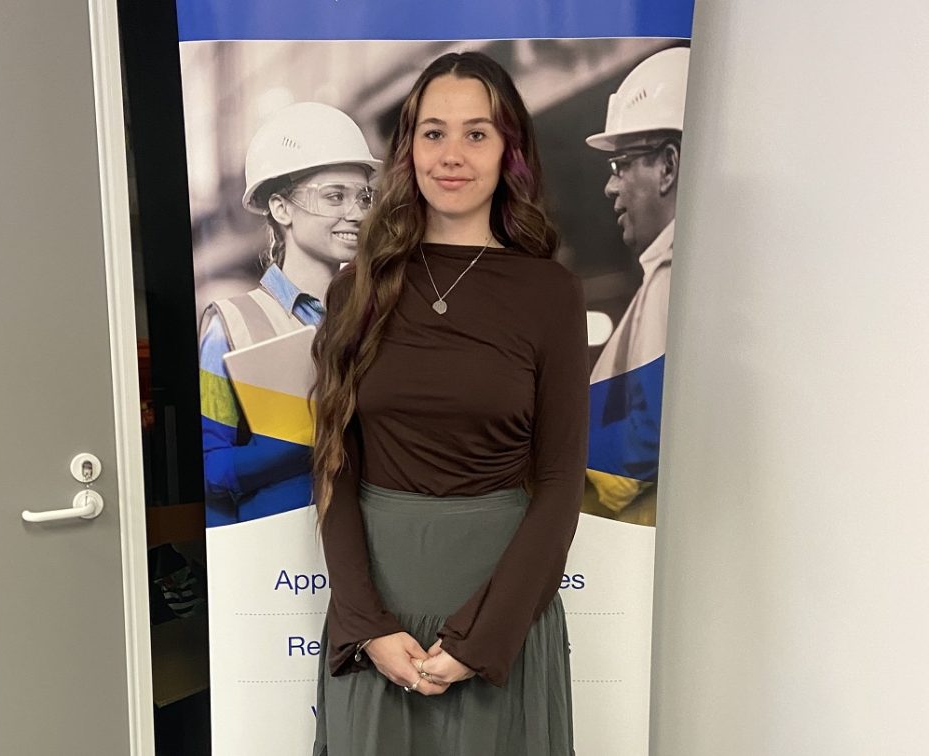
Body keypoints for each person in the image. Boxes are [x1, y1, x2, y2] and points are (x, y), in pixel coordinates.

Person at [308, 52, 590, 755]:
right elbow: (335, 469)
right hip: (378, 608)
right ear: (408, 150)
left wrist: (479, 640)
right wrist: (368, 627)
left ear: (509, 150)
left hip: (499, 609)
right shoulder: (357, 292)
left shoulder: (549, 295)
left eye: (477, 133)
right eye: (433, 133)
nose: (452, 155)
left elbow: (558, 486)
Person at [198, 102, 380, 525]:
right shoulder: (229, 326)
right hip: (280, 562)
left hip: (373, 553)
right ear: (281, 209)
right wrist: (310, 439)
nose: (356, 213)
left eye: (363, 197)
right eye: (335, 196)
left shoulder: (378, 317)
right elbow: (210, 470)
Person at [582, 46, 690, 526]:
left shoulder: (677, 278)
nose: (611, 186)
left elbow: (641, 444)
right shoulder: (680, 273)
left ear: (668, 166)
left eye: (621, 164)